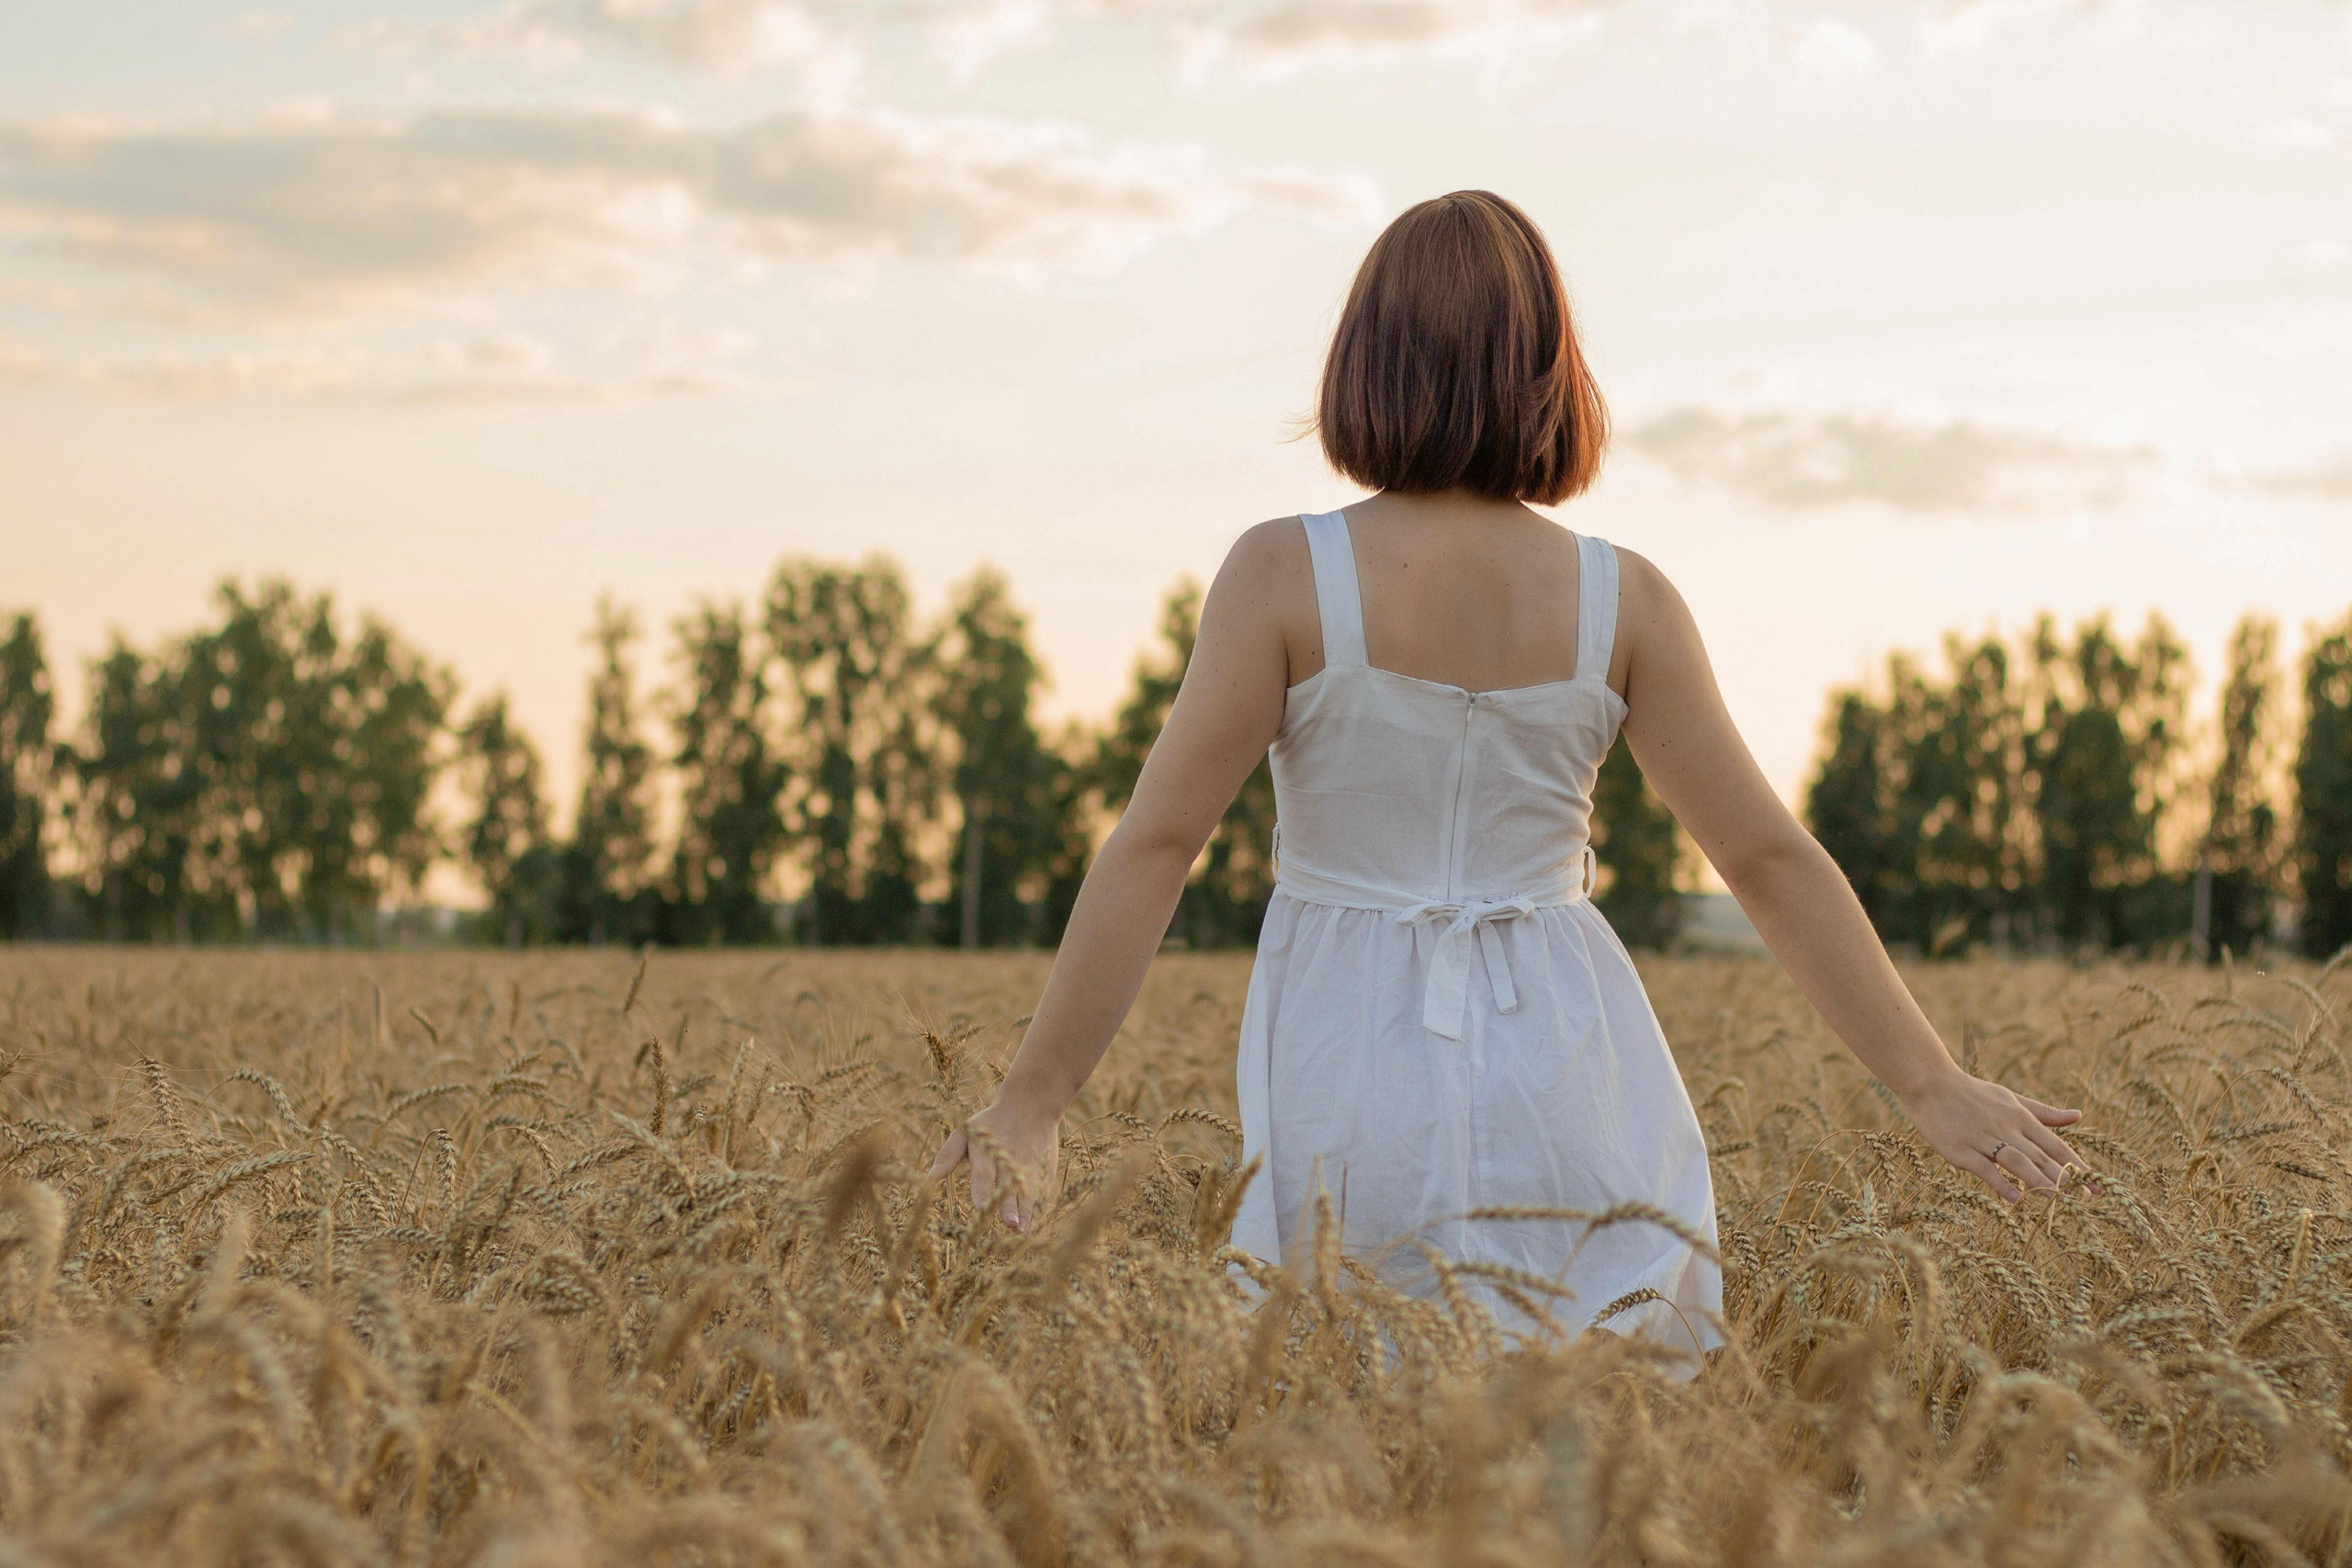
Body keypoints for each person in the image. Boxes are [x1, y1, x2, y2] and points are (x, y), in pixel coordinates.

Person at [927, 188, 2086, 1367]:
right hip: (1577, 1064)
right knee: (1601, 1429)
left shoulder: (1283, 573)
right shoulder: (1622, 595)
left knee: (1346, 1412)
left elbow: (1156, 846)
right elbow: (1765, 860)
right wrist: (1931, 1084)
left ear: (1364, 363)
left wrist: (1034, 1099)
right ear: (1548, 369)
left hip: (1344, 1053)